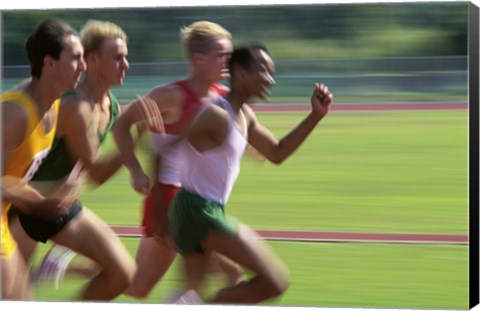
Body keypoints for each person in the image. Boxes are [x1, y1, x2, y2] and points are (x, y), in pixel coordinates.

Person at [167, 43, 333, 304]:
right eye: (263, 71)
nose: (270, 79)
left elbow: (277, 153)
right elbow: (170, 146)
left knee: (188, 297)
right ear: (240, 73)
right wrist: (155, 193)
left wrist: (315, 116)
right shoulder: (216, 114)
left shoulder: (244, 115)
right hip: (198, 209)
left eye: (271, 72)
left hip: (200, 209)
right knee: (275, 281)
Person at [7, 19, 157, 301]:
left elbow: (86, 168)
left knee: (123, 272)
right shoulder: (74, 104)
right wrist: (135, 138)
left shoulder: (110, 105)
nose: (126, 64)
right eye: (117, 57)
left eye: (126, 57)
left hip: (56, 205)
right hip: (27, 204)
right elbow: (97, 171)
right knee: (14, 297)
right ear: (93, 59)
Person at [121, 20, 244, 300]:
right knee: (230, 273)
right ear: (198, 59)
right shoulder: (171, 95)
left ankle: (76, 266)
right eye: (221, 54)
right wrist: (135, 169)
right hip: (169, 199)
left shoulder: (223, 97)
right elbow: (122, 124)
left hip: (200, 199)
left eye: (230, 54)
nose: (228, 61)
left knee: (137, 286)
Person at [1, 18, 86, 300]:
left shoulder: (54, 104)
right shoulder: (15, 113)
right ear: (49, 64)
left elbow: (13, 177)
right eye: (75, 58)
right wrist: (41, 203)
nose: (83, 66)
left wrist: (49, 197)